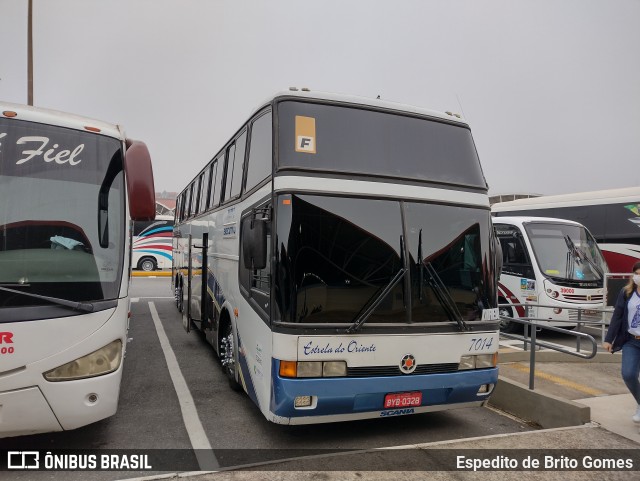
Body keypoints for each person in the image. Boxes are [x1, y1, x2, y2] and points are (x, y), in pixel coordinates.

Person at [603, 261, 640, 423]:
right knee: (629, 374)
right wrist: (608, 339)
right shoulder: (626, 292)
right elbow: (617, 316)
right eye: (637, 274)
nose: (639, 277)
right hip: (631, 340)